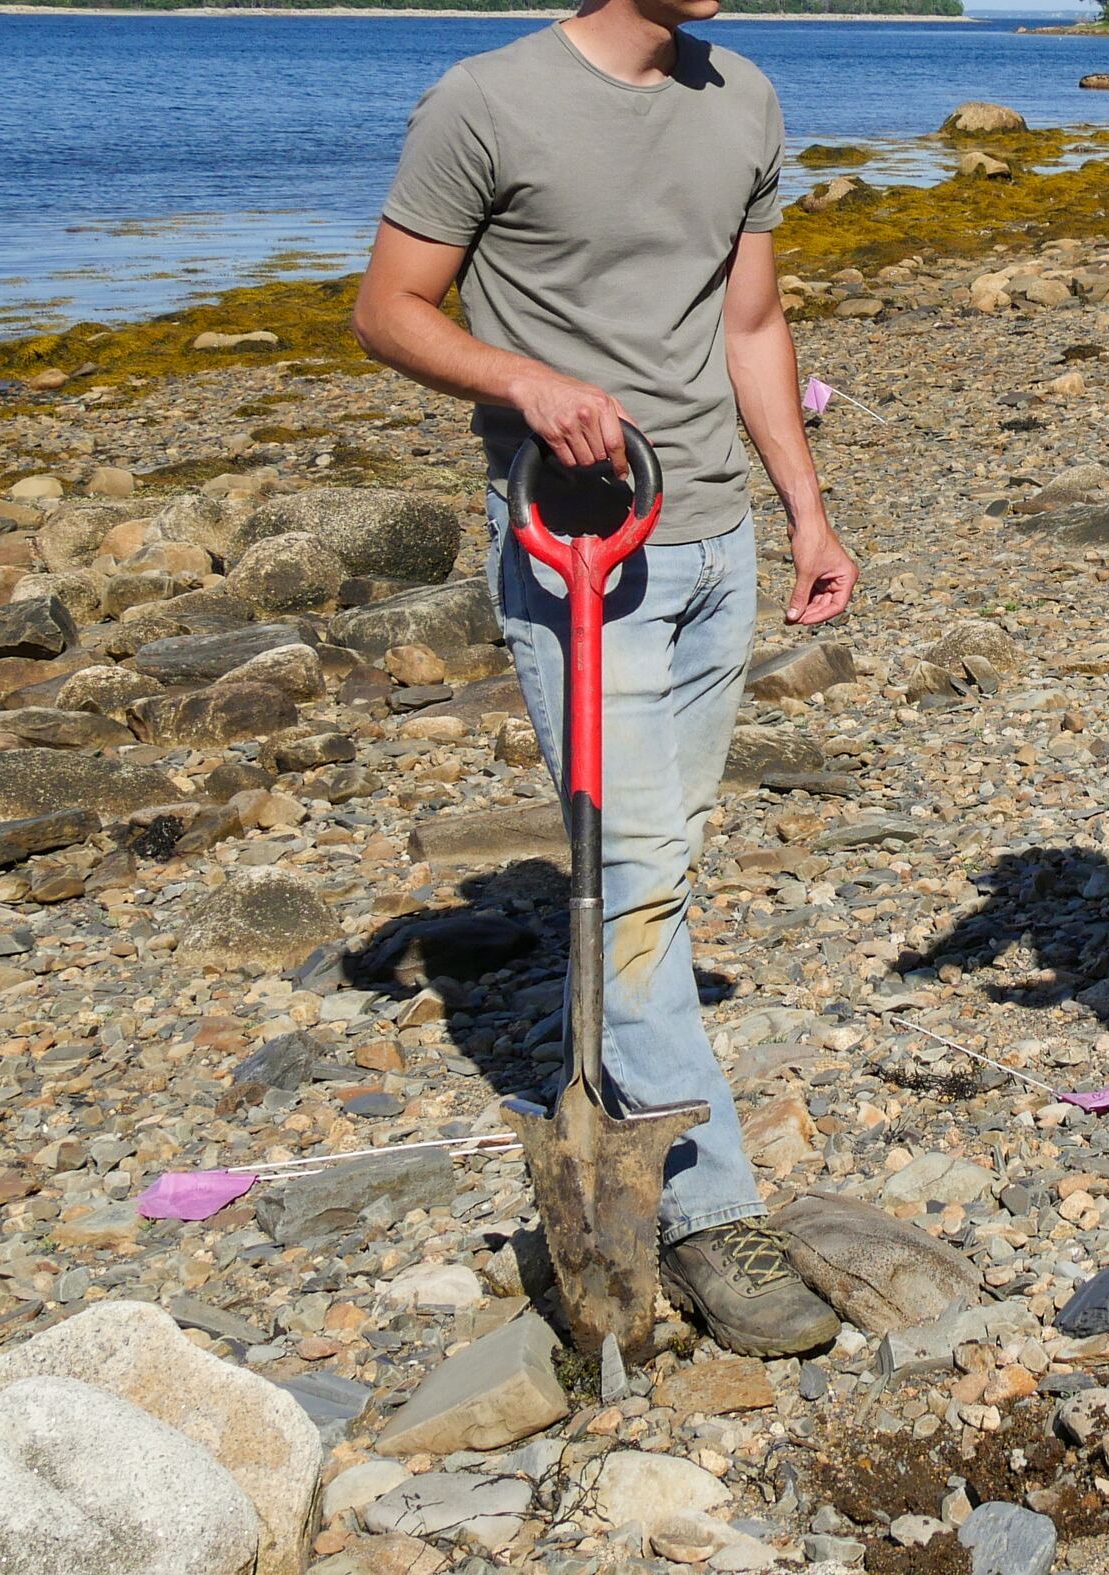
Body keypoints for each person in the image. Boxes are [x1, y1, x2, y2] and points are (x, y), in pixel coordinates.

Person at [353, 0, 858, 1354]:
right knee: (634, 878)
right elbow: (388, 308)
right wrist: (524, 381)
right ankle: (710, 1209)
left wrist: (802, 508)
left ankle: (635, 1103)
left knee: (662, 867)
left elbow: (751, 324)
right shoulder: (487, 100)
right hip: (574, 550)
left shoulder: (741, 92)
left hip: (707, 549)